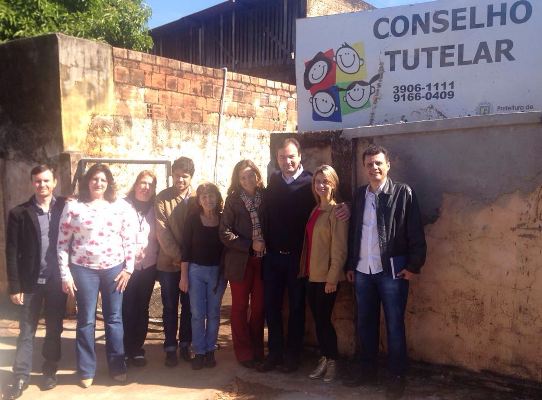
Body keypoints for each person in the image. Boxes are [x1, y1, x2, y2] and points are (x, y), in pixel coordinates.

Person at [343, 145, 426, 399]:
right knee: (366, 323)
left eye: (378, 163)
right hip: (363, 271)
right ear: (364, 168)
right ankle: (367, 371)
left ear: (388, 165)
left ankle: (397, 376)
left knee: (394, 325)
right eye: (369, 164)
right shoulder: (360, 195)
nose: (374, 168)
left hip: (392, 272)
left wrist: (413, 265)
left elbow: (415, 231)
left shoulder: (403, 193)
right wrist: (350, 264)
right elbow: (354, 232)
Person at [57, 163, 135, 388]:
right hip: (83, 270)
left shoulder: (120, 206)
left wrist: (128, 268)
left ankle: (117, 366)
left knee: (114, 319)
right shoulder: (73, 206)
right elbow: (62, 243)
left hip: (114, 270)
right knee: (86, 320)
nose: (98, 183)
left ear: (108, 183)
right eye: (94, 179)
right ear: (87, 182)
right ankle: (86, 369)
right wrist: (65, 274)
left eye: (103, 180)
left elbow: (129, 238)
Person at [3, 165, 67, 399]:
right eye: (38, 181)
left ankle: (50, 369)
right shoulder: (19, 213)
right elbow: (11, 252)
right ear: (32, 183)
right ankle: (20, 376)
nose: (42, 185)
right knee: (26, 330)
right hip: (30, 283)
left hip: (56, 281)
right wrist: (15, 286)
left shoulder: (65, 208)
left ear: (54, 182)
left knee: (54, 327)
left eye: (46, 180)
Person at [299, 165, 347, 383]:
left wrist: (332, 278)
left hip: (327, 278)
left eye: (325, 181)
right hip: (311, 275)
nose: (321, 185)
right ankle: (325, 358)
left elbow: (340, 249)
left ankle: (333, 361)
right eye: (317, 181)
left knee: (324, 321)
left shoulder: (337, 212)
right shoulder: (315, 210)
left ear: (333, 184)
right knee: (318, 321)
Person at [220, 160, 266, 369]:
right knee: (239, 307)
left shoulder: (266, 197)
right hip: (240, 261)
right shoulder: (233, 200)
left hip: (263, 261)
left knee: (259, 307)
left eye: (251, 175)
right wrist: (248, 245)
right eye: (243, 177)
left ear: (257, 175)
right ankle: (244, 352)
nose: (248, 180)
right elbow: (224, 232)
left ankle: (257, 349)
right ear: (237, 180)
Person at [180, 183, 226, 370]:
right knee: (198, 314)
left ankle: (210, 350)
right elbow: (185, 249)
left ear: (217, 197)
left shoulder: (223, 219)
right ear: (199, 200)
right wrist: (184, 276)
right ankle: (199, 351)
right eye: (204, 196)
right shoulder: (192, 220)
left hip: (217, 273)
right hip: (196, 272)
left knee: (213, 313)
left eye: (211, 195)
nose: (208, 199)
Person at [154, 157, 196, 367]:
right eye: (177, 175)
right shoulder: (162, 198)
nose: (180, 180)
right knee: (170, 306)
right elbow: (162, 233)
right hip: (168, 264)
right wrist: (180, 258)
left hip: (193, 264)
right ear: (172, 174)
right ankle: (170, 346)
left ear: (191, 177)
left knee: (189, 306)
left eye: (184, 176)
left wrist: (189, 261)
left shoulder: (198, 198)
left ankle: (186, 344)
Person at [122, 170, 159, 367]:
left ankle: (137, 349)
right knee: (126, 307)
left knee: (142, 307)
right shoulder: (122, 206)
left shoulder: (156, 208)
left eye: (151, 184)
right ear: (136, 184)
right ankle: (123, 349)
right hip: (125, 267)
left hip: (149, 265)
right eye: (143, 183)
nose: (146, 187)